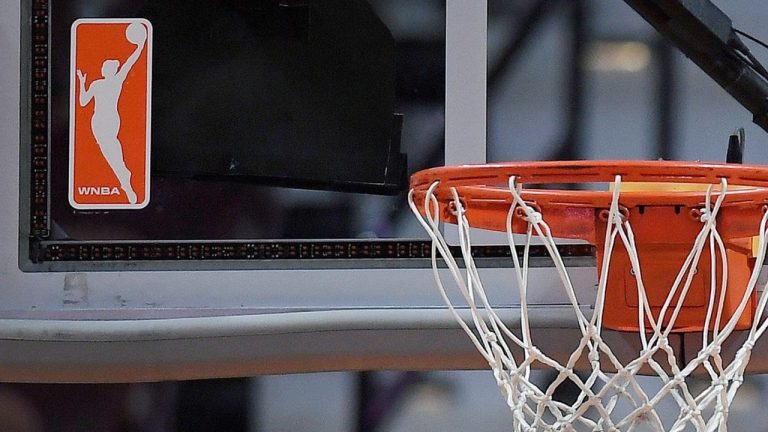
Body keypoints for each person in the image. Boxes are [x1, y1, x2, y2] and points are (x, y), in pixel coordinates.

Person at [76, 24, 147, 204]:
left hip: (108, 120)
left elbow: (129, 64)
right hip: (98, 121)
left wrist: (140, 46)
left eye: (108, 67)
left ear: (110, 70)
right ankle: (124, 175)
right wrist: (81, 82)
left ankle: (125, 178)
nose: (105, 69)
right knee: (109, 150)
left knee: (111, 149)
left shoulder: (115, 81)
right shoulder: (99, 84)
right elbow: (83, 102)